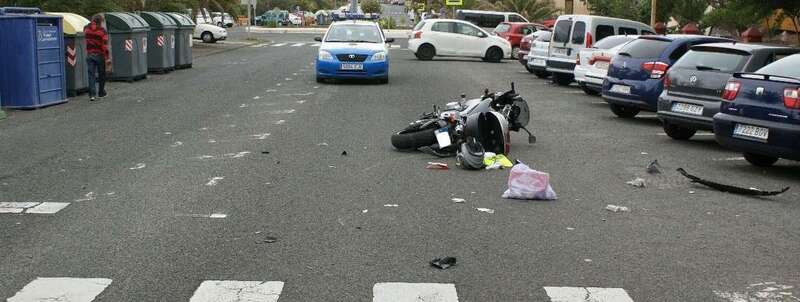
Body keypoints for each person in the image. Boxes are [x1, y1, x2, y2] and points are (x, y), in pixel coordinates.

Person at [84, 15, 110, 101]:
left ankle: (92, 95)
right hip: (100, 55)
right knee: (101, 74)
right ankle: (101, 93)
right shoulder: (102, 31)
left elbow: (85, 36)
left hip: (90, 54)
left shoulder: (86, 29)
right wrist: (107, 57)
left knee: (91, 75)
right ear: (101, 22)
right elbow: (104, 45)